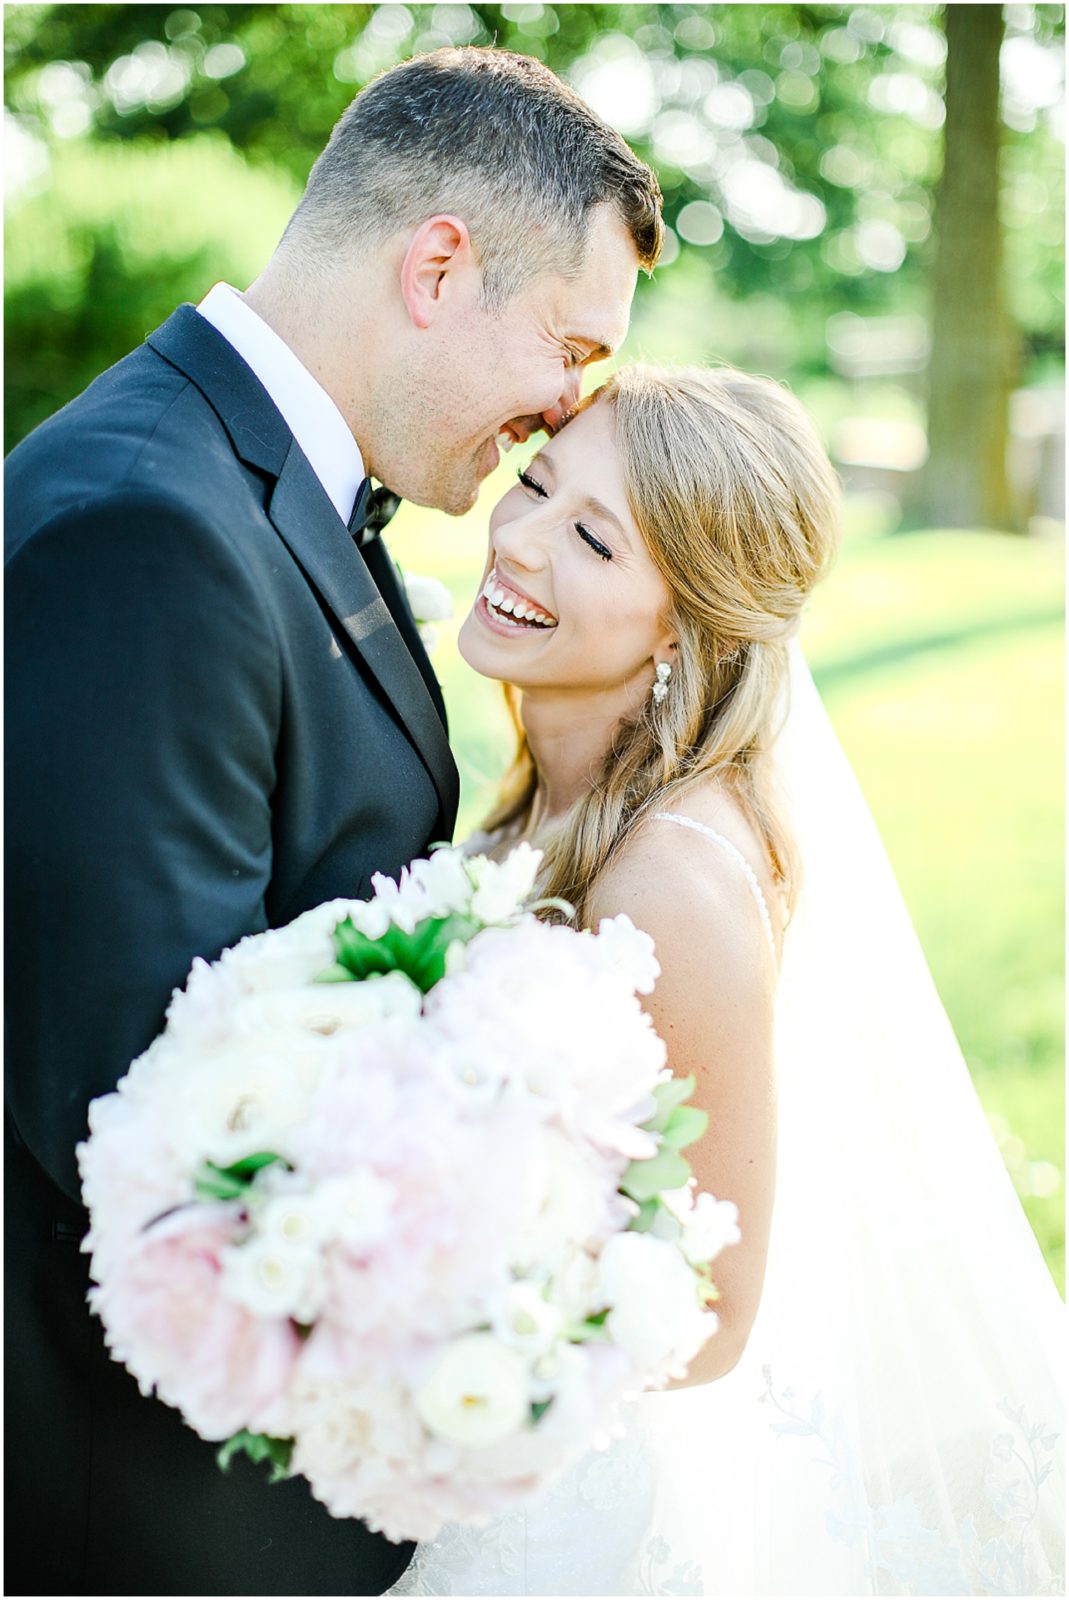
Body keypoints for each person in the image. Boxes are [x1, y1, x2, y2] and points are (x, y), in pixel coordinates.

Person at [3, 47, 662, 1598]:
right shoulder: (149, 530)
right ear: (439, 265)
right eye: (566, 346)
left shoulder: (245, 483)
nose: (565, 406)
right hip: (152, 1511)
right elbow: (130, 1104)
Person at [388, 365, 1066, 1595]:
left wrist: (387, 1300)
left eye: (592, 537)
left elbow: (706, 1312)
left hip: (562, 1504)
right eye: (535, 484)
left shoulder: (670, 880)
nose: (520, 539)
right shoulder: (554, 789)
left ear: (684, 622)